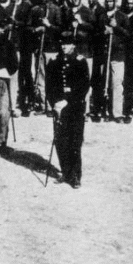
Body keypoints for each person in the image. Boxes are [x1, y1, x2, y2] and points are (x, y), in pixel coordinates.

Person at [46, 29, 91, 188]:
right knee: (60, 140)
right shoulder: (54, 61)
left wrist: (67, 101)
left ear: (73, 45)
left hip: (75, 107)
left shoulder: (80, 62)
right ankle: (65, 172)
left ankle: (75, 175)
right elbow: (49, 86)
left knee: (75, 141)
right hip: (59, 107)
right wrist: (55, 103)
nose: (65, 47)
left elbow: (83, 87)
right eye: (63, 44)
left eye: (68, 44)